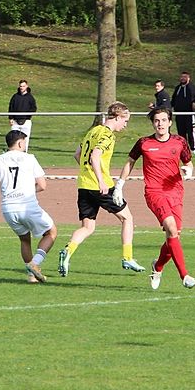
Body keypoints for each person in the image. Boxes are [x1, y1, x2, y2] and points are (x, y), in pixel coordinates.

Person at [57, 101, 145, 276]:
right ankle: (127, 257)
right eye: (125, 121)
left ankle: (68, 250)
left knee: (88, 227)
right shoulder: (107, 135)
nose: (125, 125)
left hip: (84, 185)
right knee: (127, 218)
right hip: (100, 186)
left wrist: (88, 172)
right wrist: (100, 180)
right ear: (117, 117)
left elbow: (77, 154)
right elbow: (95, 156)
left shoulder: (93, 131)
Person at [118, 106, 195, 289]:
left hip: (176, 192)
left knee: (174, 234)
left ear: (169, 122)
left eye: (163, 120)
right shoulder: (144, 143)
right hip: (154, 192)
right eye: (156, 121)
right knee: (171, 228)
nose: (160, 124)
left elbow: (188, 163)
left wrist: (189, 171)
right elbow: (130, 161)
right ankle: (184, 275)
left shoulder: (179, 142)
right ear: (153, 123)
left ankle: (158, 266)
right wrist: (120, 185)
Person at [0, 130, 57, 283]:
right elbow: (42, 185)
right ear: (20, 143)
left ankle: (31, 276)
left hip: (8, 209)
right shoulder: (30, 158)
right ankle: (35, 263)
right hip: (27, 205)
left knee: (24, 240)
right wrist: (29, 190)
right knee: (51, 233)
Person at [171, 71, 195, 154]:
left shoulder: (191, 87)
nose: (183, 78)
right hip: (179, 114)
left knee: (190, 132)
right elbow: (173, 100)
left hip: (189, 114)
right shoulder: (178, 88)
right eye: (182, 77)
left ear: (188, 78)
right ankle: (184, 149)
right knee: (181, 132)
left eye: (185, 77)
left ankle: (193, 149)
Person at [8, 79, 37, 151]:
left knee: (25, 139)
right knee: (14, 139)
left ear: (26, 86)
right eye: (21, 86)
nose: (22, 88)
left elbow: (33, 108)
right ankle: (13, 153)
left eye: (23, 86)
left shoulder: (30, 97)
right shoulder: (15, 96)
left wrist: (27, 116)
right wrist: (11, 118)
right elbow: (11, 107)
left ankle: (24, 153)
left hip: (26, 121)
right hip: (15, 121)